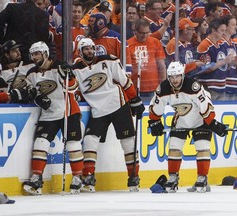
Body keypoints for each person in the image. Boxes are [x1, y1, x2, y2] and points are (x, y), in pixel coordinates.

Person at [70, 38, 145, 192]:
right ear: (80, 52)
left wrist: (134, 99)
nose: (90, 51)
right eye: (86, 49)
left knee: (128, 142)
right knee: (90, 141)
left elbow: (125, 81)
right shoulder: (75, 70)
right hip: (98, 111)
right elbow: (73, 89)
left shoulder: (108, 60)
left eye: (92, 48)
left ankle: (133, 177)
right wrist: (65, 74)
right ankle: (88, 177)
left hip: (118, 105)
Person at [148, 61, 228, 193]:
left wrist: (212, 123)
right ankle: (173, 177)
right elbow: (155, 105)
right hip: (181, 120)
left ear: (182, 75)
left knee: (202, 147)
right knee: (174, 147)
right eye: (172, 77)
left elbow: (205, 105)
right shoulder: (164, 88)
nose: (174, 80)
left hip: (200, 120)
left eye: (177, 76)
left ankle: (202, 177)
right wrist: (154, 121)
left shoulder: (193, 86)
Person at [22, 41, 84, 195]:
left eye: (37, 53)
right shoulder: (31, 73)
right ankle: (37, 177)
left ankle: (78, 177)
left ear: (45, 54)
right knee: (40, 143)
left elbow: (74, 88)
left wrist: (68, 76)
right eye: (32, 54)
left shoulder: (60, 67)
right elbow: (30, 91)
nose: (34, 57)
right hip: (48, 114)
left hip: (67, 111)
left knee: (73, 145)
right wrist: (37, 98)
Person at [127, 18, 166, 101]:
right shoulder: (128, 44)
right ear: (136, 31)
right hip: (135, 87)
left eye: (146, 33)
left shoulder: (155, 42)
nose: (144, 35)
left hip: (154, 87)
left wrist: (163, 85)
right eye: (142, 33)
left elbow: (161, 65)